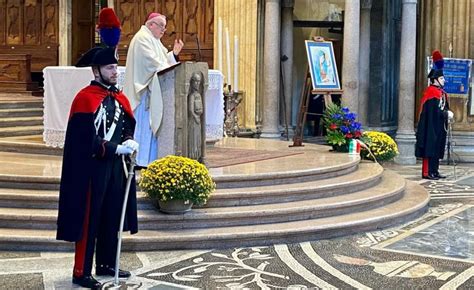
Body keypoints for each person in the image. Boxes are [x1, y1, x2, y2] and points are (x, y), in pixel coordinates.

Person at [56, 9, 139, 289]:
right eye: (109, 68)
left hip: (115, 167)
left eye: (116, 67)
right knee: (89, 220)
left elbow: (126, 122)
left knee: (112, 214)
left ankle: (106, 263)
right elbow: (83, 142)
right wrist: (114, 148)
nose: (115, 72)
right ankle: (81, 271)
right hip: (92, 169)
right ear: (96, 71)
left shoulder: (117, 96)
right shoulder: (84, 99)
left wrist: (128, 139)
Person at [124, 12, 184, 167]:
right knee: (143, 126)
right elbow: (153, 63)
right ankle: (139, 159)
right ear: (151, 24)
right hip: (144, 93)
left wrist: (174, 55)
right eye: (161, 27)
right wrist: (170, 64)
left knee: (149, 129)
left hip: (152, 91)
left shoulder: (153, 40)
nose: (164, 31)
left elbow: (162, 60)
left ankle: (148, 160)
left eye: (164, 27)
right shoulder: (142, 38)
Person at [415, 50, 453, 180]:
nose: (444, 80)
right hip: (430, 127)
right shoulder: (431, 92)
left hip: (438, 127)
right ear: (435, 80)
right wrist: (445, 113)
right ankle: (427, 172)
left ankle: (435, 170)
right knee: (430, 148)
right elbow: (434, 112)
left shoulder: (440, 92)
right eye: (441, 78)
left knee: (437, 148)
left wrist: (446, 114)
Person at [188, 72, 204, 160]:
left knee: (198, 139)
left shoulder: (198, 95)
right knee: (194, 138)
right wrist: (195, 116)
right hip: (193, 120)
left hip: (198, 119)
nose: (198, 84)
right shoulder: (192, 95)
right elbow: (190, 109)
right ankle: (193, 156)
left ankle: (198, 156)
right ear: (192, 82)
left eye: (199, 82)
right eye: (196, 81)